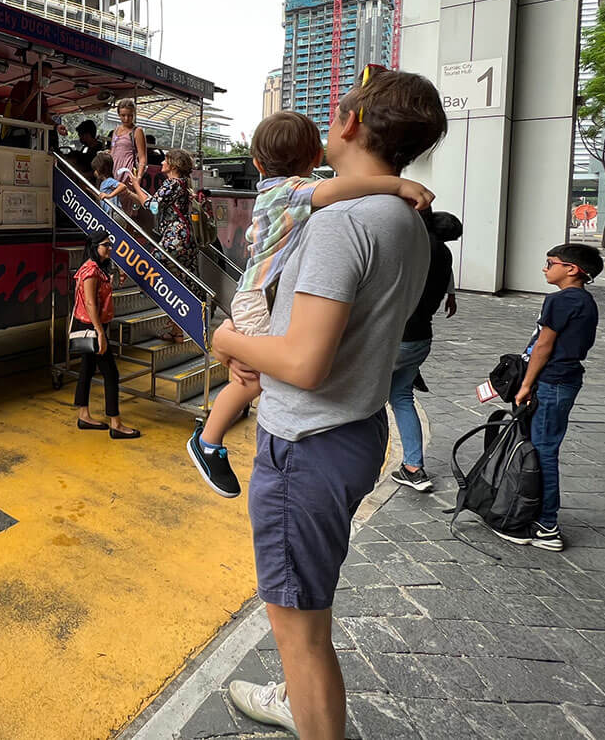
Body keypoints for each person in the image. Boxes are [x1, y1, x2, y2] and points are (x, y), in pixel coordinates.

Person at [213, 68, 447, 740]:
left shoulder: (343, 222)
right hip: (352, 428)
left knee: (301, 628)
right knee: (306, 612)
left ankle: (308, 712)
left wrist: (229, 338)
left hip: (308, 444)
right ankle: (298, 696)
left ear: (348, 123)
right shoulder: (401, 217)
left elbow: (304, 363)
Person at [186, 110, 435, 499]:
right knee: (253, 376)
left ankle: (211, 436)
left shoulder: (282, 194)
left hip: (261, 293)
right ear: (314, 160)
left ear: (255, 161)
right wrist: (395, 184)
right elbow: (333, 191)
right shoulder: (288, 190)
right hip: (257, 295)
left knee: (256, 370)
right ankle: (208, 440)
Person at [494, 242, 603, 552]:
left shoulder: (561, 300)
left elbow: (543, 346)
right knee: (543, 448)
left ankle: (546, 526)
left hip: (550, 381)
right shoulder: (584, 301)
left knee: (543, 451)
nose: (545, 267)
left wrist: (526, 385)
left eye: (550, 262)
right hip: (565, 380)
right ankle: (535, 514)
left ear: (572, 269)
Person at [387, 211, 462, 493]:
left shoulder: (413, 248)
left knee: (360, 398)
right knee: (402, 397)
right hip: (420, 341)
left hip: (393, 339)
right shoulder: (444, 255)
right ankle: (413, 468)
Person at [72, 226, 140, 438]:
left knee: (87, 369)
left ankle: (84, 415)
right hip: (92, 326)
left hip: (90, 324)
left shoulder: (96, 268)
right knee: (111, 373)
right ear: (95, 247)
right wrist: (100, 332)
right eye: (105, 245)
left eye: (110, 244)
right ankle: (116, 424)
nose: (110, 248)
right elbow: (91, 303)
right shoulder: (91, 271)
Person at [129, 148, 197, 342]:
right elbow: (153, 204)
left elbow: (152, 207)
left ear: (173, 165)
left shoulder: (172, 184)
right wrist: (132, 192)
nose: (162, 163)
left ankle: (153, 302)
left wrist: (135, 185)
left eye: (165, 160)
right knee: (177, 282)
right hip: (185, 237)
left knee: (154, 271)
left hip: (174, 237)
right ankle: (177, 329)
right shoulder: (183, 184)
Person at [109, 97, 147, 184]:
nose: (126, 119)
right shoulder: (116, 130)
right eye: (123, 115)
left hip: (127, 173)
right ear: (118, 114)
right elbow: (113, 150)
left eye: (130, 115)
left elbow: (142, 158)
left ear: (134, 114)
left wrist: (139, 177)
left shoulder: (137, 131)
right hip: (113, 171)